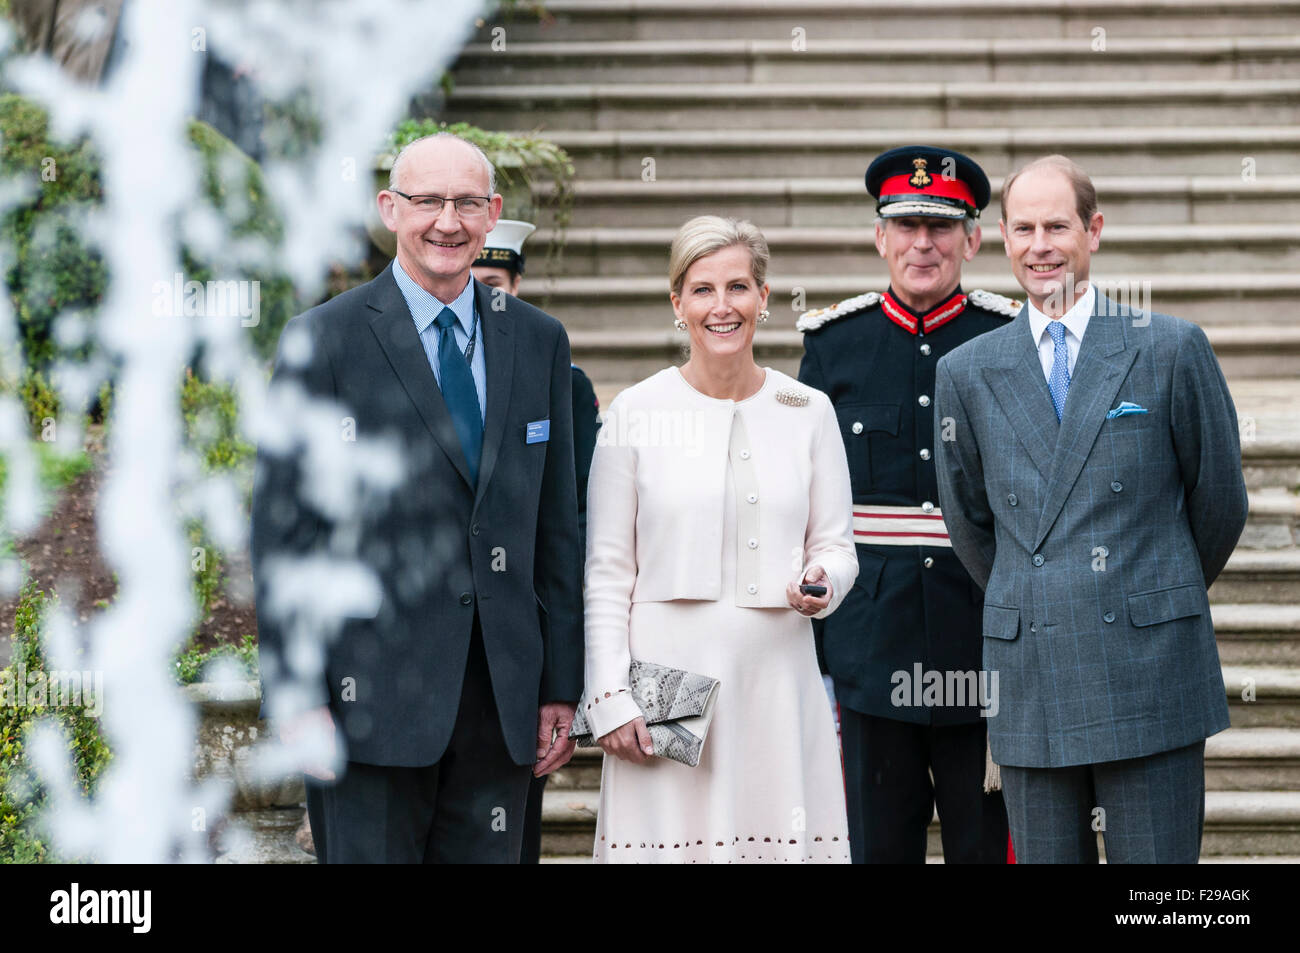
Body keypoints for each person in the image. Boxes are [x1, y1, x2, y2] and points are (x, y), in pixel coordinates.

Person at [250, 133, 584, 863]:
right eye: (428, 201)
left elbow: (556, 526)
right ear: (389, 209)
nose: (448, 221)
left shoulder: (539, 341)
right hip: (364, 705)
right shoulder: (324, 342)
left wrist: (560, 684)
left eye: (467, 202)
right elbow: (283, 534)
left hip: (502, 707)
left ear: (492, 213)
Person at [934, 154, 1248, 863]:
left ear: (1094, 230)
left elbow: (1220, 502)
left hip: (1150, 663)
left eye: (1056, 225)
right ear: (1002, 241)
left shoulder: (1169, 348)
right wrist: (1045, 589)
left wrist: (1149, 586)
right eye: (1023, 228)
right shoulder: (966, 372)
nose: (1040, 244)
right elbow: (970, 521)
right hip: (1032, 672)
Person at [582, 215, 857, 864]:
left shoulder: (809, 411)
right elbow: (606, 570)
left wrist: (823, 583)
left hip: (779, 685)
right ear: (677, 302)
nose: (722, 305)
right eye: (702, 289)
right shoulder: (634, 413)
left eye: (738, 286)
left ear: (765, 297)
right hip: (665, 690)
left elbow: (838, 546)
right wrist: (607, 695)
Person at [797, 145, 1014, 864]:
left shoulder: (1008, 339)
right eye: (907, 226)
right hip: (871, 643)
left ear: (973, 239)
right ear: (880, 237)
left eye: (941, 227)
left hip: (982, 644)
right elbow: (809, 495)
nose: (924, 243)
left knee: (985, 848)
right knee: (875, 848)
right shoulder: (834, 345)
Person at [471, 218, 602, 864]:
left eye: (492, 281)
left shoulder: (561, 378)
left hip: (517, 652)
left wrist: (563, 676)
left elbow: (566, 523)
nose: (476, 291)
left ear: (517, 285)